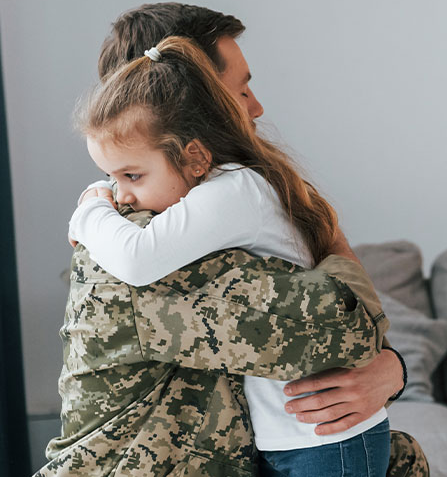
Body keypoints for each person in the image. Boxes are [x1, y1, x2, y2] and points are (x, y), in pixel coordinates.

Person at [67, 36, 389, 476]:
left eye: (132, 176)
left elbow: (137, 259)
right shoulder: (231, 186)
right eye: (110, 176)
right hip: (292, 431)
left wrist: (89, 208)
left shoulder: (232, 191)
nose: (123, 196)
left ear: (196, 157)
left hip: (321, 434)